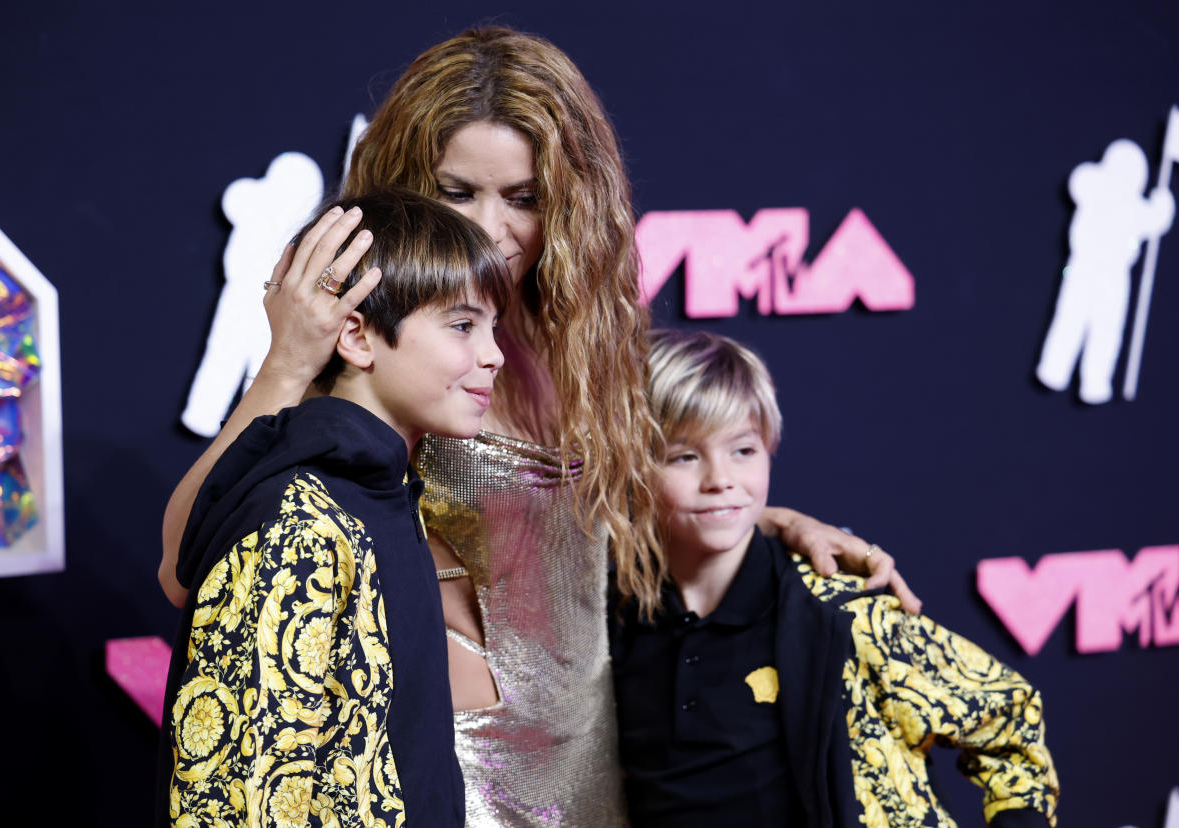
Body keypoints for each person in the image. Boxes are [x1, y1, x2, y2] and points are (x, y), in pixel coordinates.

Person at [159, 27, 920, 826]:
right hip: (449, 782)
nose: (494, 227)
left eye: (523, 197)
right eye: (459, 192)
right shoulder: (373, 346)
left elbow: (593, 524)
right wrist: (286, 362)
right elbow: (187, 564)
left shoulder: (589, 335)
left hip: (593, 765)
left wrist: (766, 520)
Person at [159, 189, 511, 827]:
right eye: (463, 325)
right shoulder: (301, 523)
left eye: (493, 327)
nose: (494, 354)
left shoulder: (386, 493)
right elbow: (240, 800)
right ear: (356, 334)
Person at [610, 329, 1059, 828]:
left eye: (742, 451)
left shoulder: (842, 613)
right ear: (634, 465)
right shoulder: (615, 616)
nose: (720, 478)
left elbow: (1009, 716)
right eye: (683, 456)